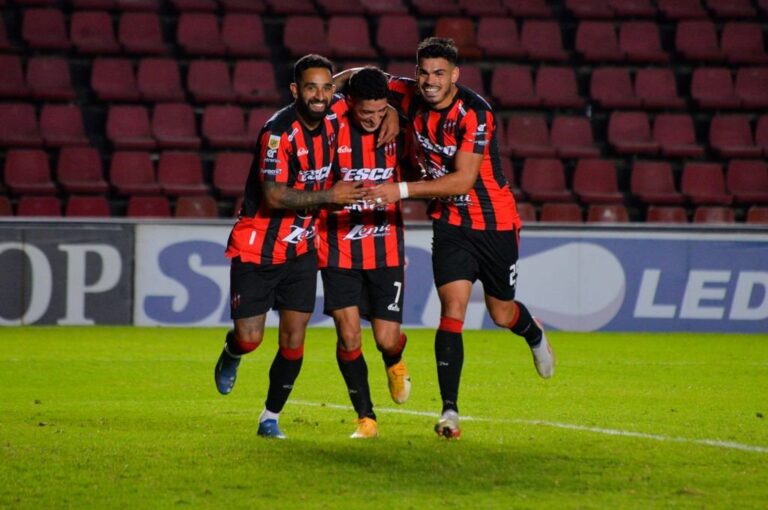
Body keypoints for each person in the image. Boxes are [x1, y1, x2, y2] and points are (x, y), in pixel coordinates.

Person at [356, 37, 555, 439]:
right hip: (450, 225)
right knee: (453, 309)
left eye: (439, 74)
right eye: (424, 73)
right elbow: (351, 79)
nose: (430, 81)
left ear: (455, 76)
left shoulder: (475, 113)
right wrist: (389, 108)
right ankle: (450, 412)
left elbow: (464, 180)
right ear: (416, 73)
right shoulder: (406, 93)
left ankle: (532, 333)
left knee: (501, 314)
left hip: (494, 223)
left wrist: (402, 190)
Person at [213, 54, 365, 439]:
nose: (320, 95)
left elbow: (360, 78)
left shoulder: (333, 114)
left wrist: (389, 107)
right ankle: (233, 352)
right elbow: (274, 195)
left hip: (300, 248)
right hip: (257, 247)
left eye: (326, 87)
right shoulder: (278, 133)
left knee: (295, 338)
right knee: (250, 339)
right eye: (310, 87)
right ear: (296, 90)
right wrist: (331, 195)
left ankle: (270, 417)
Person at [316, 67, 414, 439]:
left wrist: (391, 110)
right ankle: (366, 418)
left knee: (386, 338)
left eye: (380, 111)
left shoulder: (398, 123)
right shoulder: (332, 118)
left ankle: (395, 360)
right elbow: (324, 87)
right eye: (365, 113)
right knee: (349, 336)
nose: (373, 120)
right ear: (350, 103)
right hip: (337, 247)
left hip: (385, 246)